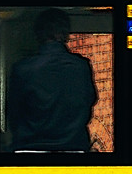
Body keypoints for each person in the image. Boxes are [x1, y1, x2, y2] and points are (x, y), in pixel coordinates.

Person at [7, 8, 98, 152]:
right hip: (73, 145)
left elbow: (14, 113)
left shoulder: (22, 69)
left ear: (38, 34)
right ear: (65, 33)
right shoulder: (81, 67)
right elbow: (90, 100)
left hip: (31, 146)